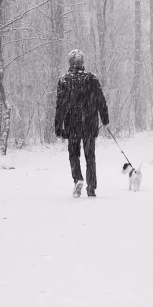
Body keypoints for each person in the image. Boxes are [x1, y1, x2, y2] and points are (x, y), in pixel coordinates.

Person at [54, 49, 109, 198]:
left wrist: (58, 126)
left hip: (72, 125)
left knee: (74, 155)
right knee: (90, 156)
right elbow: (100, 100)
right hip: (89, 124)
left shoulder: (64, 80)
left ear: (70, 62)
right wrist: (105, 118)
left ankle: (77, 179)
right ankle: (91, 187)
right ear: (82, 62)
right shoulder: (92, 79)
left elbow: (60, 105)